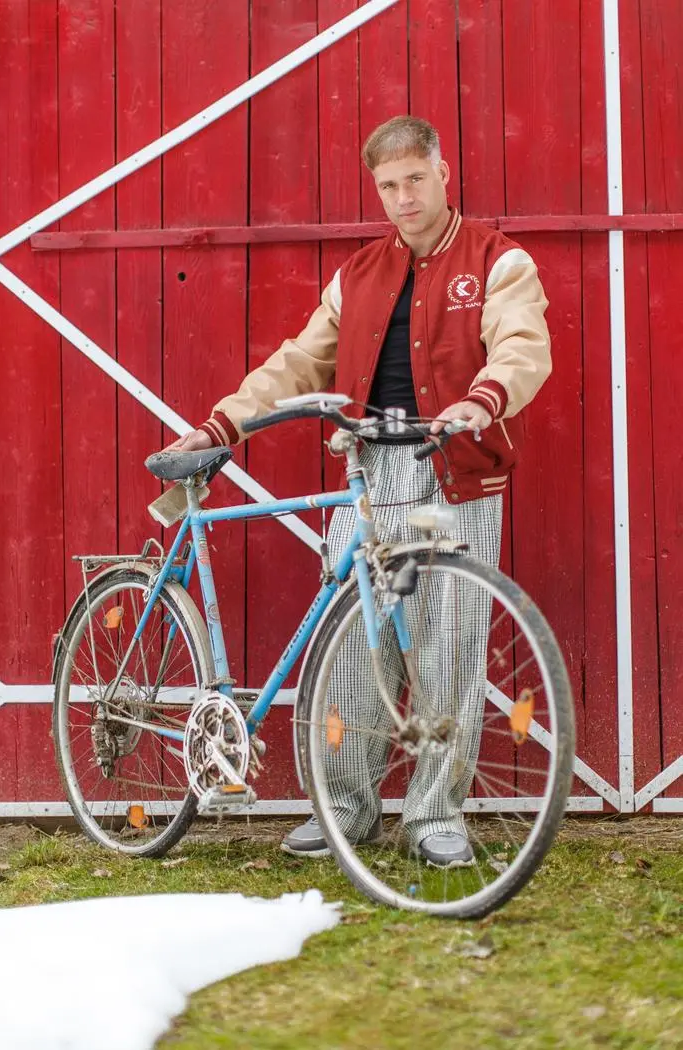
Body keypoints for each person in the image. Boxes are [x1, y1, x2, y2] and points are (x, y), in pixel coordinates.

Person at [164, 115, 551, 865]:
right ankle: (344, 807)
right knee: (348, 647)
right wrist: (222, 425)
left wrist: (484, 398)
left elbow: (521, 343)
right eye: (389, 186)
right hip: (368, 473)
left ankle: (435, 815)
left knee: (447, 649)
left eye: (416, 180)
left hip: (453, 471)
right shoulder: (358, 276)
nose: (404, 198)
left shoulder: (498, 261)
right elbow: (298, 362)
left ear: (443, 173)